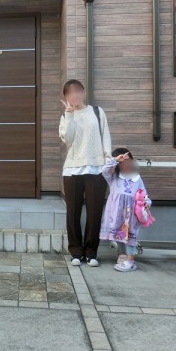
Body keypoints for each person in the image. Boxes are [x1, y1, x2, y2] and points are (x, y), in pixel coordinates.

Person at [59, 79, 111, 267]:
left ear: (83, 92)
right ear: (66, 97)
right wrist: (69, 116)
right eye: (70, 93)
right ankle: (75, 252)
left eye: (77, 91)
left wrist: (108, 159)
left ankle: (91, 252)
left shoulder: (97, 112)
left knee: (94, 212)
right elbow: (68, 140)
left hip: (96, 168)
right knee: (72, 212)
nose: (74, 95)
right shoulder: (66, 116)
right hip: (72, 169)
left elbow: (106, 136)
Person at [100, 148, 152, 272]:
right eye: (122, 162)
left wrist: (147, 202)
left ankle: (130, 261)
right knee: (120, 234)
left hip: (131, 213)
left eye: (128, 162)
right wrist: (115, 160)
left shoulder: (137, 178)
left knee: (130, 235)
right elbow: (104, 170)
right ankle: (122, 254)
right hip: (116, 213)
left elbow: (144, 194)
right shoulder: (113, 177)